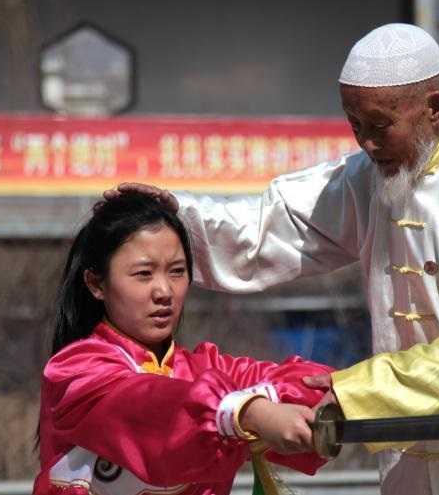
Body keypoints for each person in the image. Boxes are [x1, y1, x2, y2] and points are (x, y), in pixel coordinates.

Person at [109, 23, 439, 495]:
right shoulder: (370, 177)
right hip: (415, 451)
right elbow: (274, 224)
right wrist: (175, 215)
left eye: (379, 124)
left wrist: (360, 392)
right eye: (353, 123)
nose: (365, 141)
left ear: (433, 108)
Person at [34, 192, 331, 495]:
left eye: (177, 271)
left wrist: (348, 393)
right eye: (143, 274)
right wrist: (247, 412)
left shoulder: (207, 370)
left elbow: (303, 383)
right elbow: (150, 406)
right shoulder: (77, 372)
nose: (164, 290)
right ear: (96, 284)